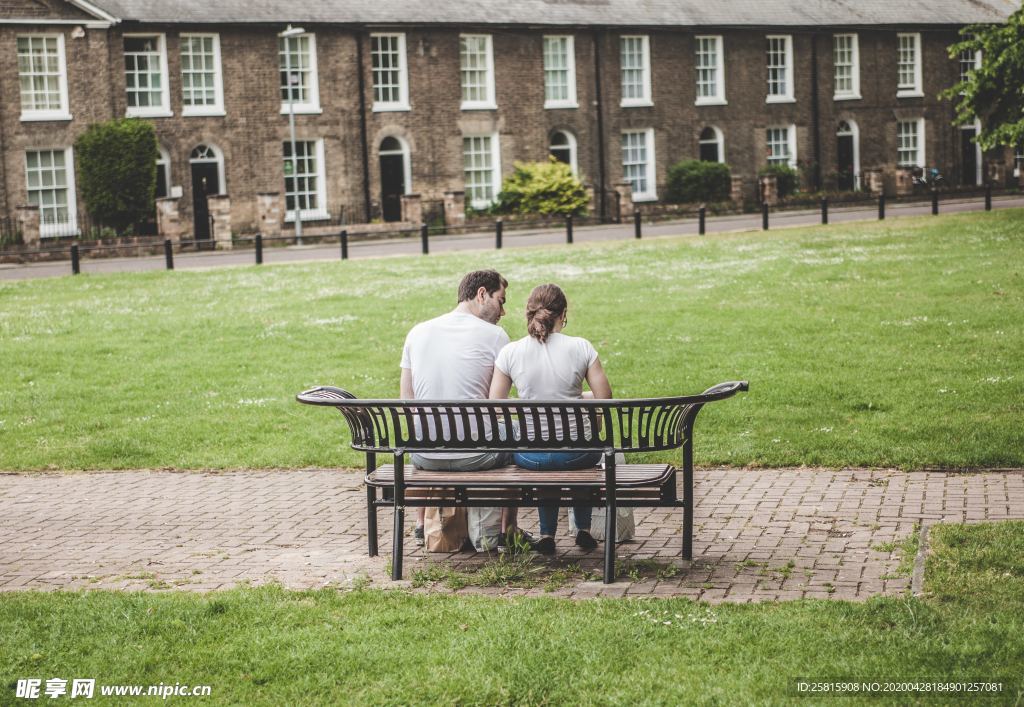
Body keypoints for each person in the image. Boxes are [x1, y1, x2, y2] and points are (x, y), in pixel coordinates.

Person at [400, 269, 525, 550]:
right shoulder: (495, 336)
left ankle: (422, 525)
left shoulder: (417, 332)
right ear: (482, 294)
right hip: (477, 455)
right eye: (501, 301)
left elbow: (407, 401)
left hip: (425, 456)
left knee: (425, 431)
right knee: (519, 436)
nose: (502, 311)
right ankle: (507, 529)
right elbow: (498, 408)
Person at [488, 283, 613, 554]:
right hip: (579, 455)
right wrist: (578, 399)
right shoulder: (581, 347)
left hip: (531, 456)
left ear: (529, 313)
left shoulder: (511, 352)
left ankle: (547, 533)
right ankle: (582, 529)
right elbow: (605, 398)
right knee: (582, 450)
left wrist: (527, 408)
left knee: (545, 460)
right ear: (563, 313)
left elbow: (496, 405)